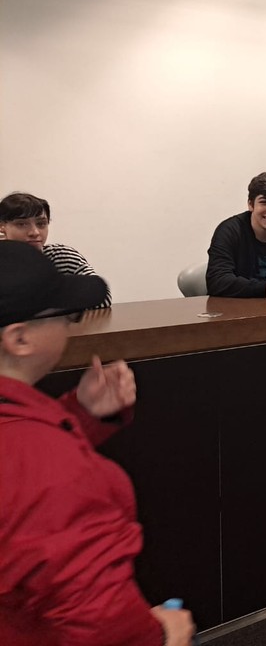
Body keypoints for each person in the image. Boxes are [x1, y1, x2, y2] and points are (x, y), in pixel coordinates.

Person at [0, 241, 195, 646]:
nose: (72, 326)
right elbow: (95, 614)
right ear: (19, 339)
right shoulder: (50, 471)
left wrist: (81, 414)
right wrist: (162, 636)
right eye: (66, 315)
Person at [0, 192, 112, 308]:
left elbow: (102, 298)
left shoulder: (62, 256)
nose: (35, 232)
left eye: (41, 224)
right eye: (22, 224)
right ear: (2, 226)